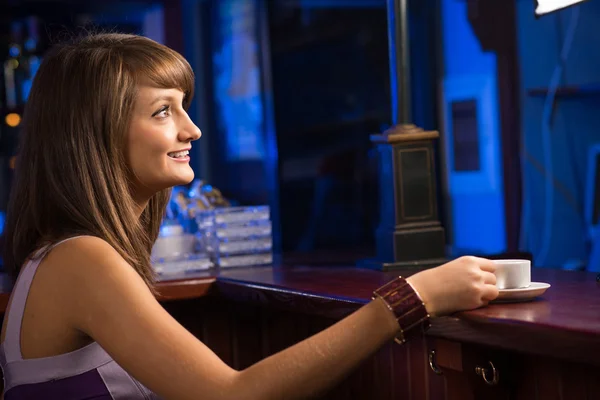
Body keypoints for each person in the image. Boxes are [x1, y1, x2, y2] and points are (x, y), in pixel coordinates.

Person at [0, 33, 499, 400]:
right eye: (162, 112)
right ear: (96, 135)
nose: (192, 130)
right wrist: (413, 298)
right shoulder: (81, 260)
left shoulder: (68, 255)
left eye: (184, 108)